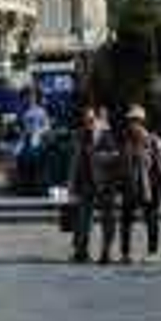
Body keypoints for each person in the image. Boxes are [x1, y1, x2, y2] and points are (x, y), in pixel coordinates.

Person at [117, 107, 161, 264]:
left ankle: (153, 252)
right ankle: (125, 253)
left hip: (149, 187)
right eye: (130, 121)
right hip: (129, 187)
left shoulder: (152, 140)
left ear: (142, 122)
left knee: (151, 220)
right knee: (126, 222)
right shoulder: (125, 141)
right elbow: (121, 164)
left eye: (135, 121)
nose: (132, 124)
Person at [67, 106, 116, 264]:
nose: (88, 122)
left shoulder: (106, 134)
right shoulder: (80, 135)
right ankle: (81, 252)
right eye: (85, 119)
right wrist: (71, 183)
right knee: (83, 220)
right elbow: (75, 161)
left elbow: (115, 155)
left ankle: (106, 253)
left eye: (91, 120)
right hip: (85, 182)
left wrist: (100, 156)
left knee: (107, 219)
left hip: (105, 183)